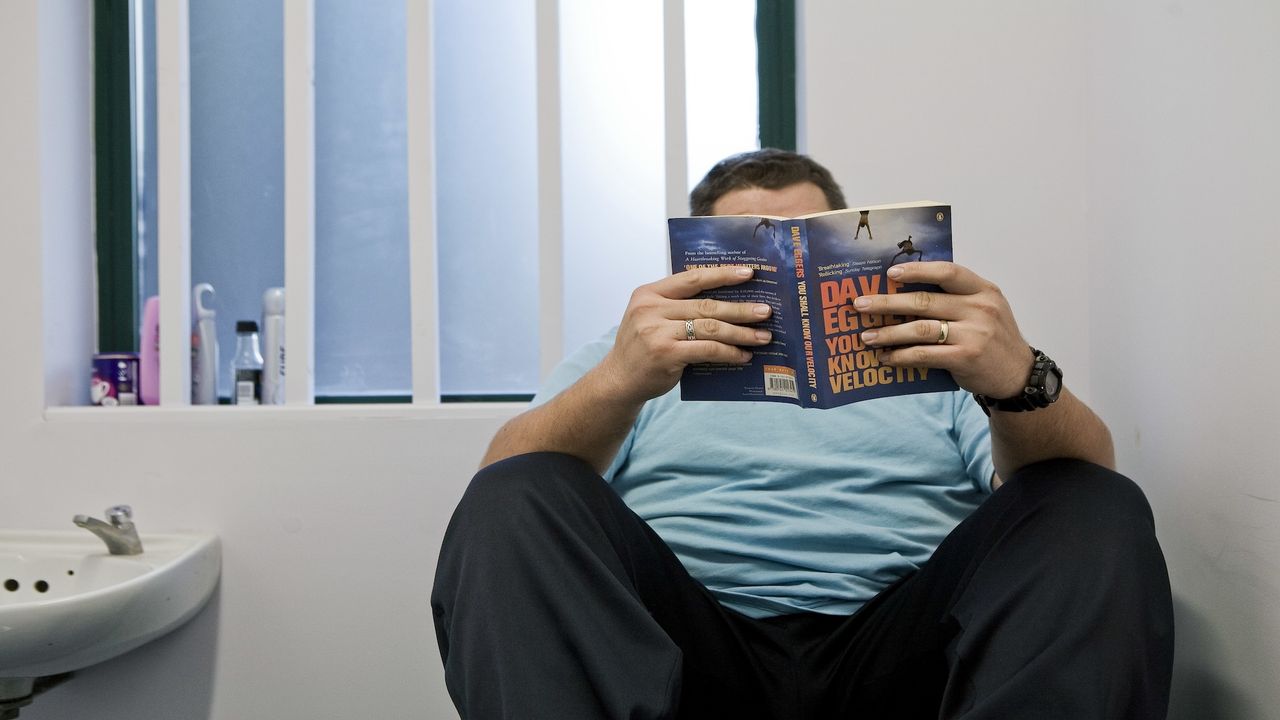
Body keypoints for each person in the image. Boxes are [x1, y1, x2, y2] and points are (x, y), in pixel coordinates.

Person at [431, 149, 1174, 719]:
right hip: (687, 647)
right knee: (518, 491)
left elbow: (1079, 481)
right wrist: (623, 379)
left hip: (900, 643)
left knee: (1095, 501)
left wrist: (1018, 374)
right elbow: (503, 488)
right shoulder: (626, 357)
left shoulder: (938, 355)